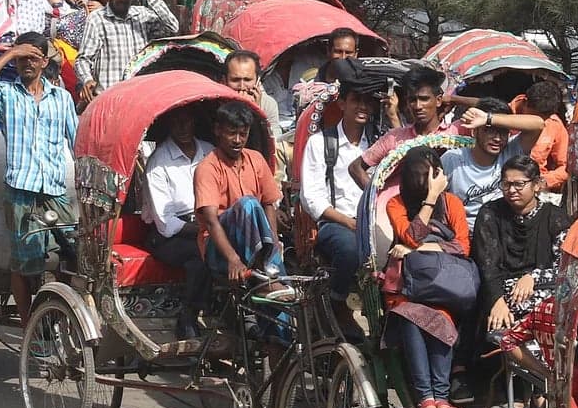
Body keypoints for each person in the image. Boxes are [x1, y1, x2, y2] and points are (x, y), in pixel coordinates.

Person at [0, 32, 78, 326]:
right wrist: (10, 53)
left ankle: (58, 316)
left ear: (44, 62)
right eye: (22, 58)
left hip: (54, 191)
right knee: (24, 264)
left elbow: (77, 141)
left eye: (33, 57)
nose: (26, 63)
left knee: (72, 254)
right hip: (21, 192)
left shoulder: (62, 98)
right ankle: (28, 322)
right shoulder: (7, 95)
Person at [384, 146, 471, 408]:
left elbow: (462, 247)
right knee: (410, 317)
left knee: (442, 318)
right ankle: (426, 398)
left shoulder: (453, 204)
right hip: (407, 291)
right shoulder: (395, 204)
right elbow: (410, 236)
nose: (423, 182)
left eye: (429, 176)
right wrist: (431, 198)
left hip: (444, 288)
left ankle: (442, 398)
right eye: (417, 176)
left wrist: (422, 248)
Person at [299, 79, 374, 341]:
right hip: (336, 222)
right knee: (351, 249)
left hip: (374, 222)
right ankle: (337, 301)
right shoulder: (321, 143)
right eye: (356, 100)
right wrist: (348, 222)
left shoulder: (377, 142)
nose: (363, 107)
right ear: (342, 103)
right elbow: (312, 198)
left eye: (368, 101)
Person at [193, 101, 292, 298]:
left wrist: (273, 243)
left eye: (243, 134)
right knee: (248, 204)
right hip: (220, 249)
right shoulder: (207, 168)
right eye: (232, 133)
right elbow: (211, 222)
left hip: (257, 247)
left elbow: (269, 204)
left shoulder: (256, 159)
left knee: (286, 302)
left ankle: (270, 282)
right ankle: (266, 279)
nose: (238, 140)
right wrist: (233, 259)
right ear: (218, 131)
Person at [473, 155, 571, 334]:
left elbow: (565, 269)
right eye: (506, 184)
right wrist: (497, 301)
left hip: (543, 290)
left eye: (519, 184)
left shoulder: (555, 217)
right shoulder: (490, 214)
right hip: (501, 291)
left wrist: (534, 277)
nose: (511, 190)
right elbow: (487, 265)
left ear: (536, 185)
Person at [142, 106, 211, 339]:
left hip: (211, 223)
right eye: (176, 122)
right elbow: (166, 222)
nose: (182, 127)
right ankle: (188, 318)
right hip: (171, 236)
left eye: (187, 121)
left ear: (195, 122)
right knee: (200, 255)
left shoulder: (210, 152)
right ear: (169, 125)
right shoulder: (158, 162)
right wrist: (204, 229)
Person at [74, 0, 178, 102]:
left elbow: (173, 26)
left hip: (138, 98)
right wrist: (87, 80)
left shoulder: (143, 16)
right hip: (108, 98)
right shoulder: (97, 19)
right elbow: (83, 59)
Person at [443, 97, 544, 229]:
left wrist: (488, 119)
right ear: (475, 131)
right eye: (489, 130)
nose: (497, 138)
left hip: (504, 232)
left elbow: (539, 123)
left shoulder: (511, 151)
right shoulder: (452, 160)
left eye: (502, 131)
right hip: (465, 233)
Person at [350, 66, 452, 189]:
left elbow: (482, 108)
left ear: (439, 100)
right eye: (412, 100)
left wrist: (454, 99)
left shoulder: (455, 132)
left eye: (424, 99)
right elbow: (355, 167)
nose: (418, 106)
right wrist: (376, 197)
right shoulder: (394, 137)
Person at [514, 80, 569, 192]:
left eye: (543, 119)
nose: (539, 124)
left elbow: (566, 166)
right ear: (525, 102)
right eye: (534, 118)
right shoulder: (499, 115)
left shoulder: (554, 124)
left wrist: (545, 181)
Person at [222, 50, 281, 139]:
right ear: (224, 80)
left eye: (247, 80)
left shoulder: (268, 104)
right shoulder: (214, 102)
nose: (242, 87)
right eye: (235, 80)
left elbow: (274, 141)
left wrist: (256, 112)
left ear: (257, 81)